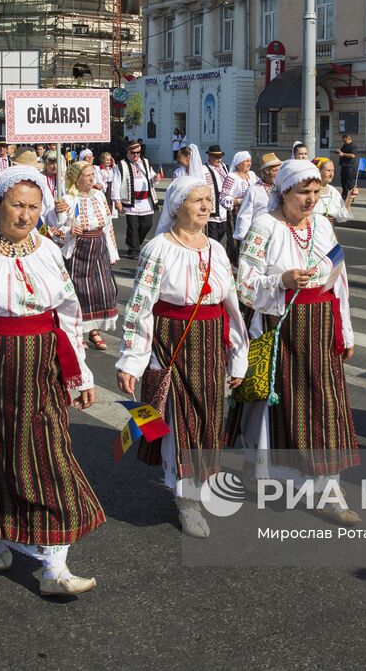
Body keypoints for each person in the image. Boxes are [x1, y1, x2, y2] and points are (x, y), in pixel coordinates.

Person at [0, 167, 103, 597]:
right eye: (17, 205)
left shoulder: (46, 249)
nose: (26, 215)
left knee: (49, 454)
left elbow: (68, 311)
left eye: (33, 206)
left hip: (43, 362)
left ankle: (54, 566)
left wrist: (79, 371)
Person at [116, 175, 248, 538]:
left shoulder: (216, 249)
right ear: (177, 207)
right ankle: (186, 498)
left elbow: (231, 305)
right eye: (197, 201)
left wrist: (238, 354)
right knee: (179, 419)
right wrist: (131, 359)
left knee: (207, 418)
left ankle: (194, 480)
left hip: (209, 343)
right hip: (171, 340)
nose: (206, 206)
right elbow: (140, 305)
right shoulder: (158, 248)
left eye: (209, 199)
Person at [235, 159, 359, 525]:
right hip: (281, 327)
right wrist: (282, 281)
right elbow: (244, 284)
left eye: (317, 192)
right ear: (284, 192)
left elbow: (340, 281)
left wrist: (346, 331)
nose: (311, 199)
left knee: (326, 404)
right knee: (280, 406)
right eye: (304, 192)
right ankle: (264, 468)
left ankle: (327, 486)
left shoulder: (322, 225)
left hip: (321, 325)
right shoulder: (264, 226)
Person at [57, 160, 119, 351]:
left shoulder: (99, 195)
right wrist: (68, 230)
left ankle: (94, 331)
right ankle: (79, 332)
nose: (92, 178)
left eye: (93, 174)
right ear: (77, 178)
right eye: (87, 175)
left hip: (98, 246)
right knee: (80, 292)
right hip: (79, 248)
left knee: (103, 290)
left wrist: (112, 251)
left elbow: (108, 224)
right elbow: (55, 228)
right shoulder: (67, 200)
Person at [232, 152, 280, 256]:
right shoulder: (254, 190)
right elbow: (245, 215)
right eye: (275, 170)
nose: (278, 173)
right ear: (266, 171)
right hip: (258, 236)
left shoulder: (280, 189)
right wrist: (245, 238)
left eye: (279, 170)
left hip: (277, 235)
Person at [118, 140, 160, 259]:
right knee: (133, 226)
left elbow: (151, 176)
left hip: (146, 201)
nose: (136, 155)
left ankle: (134, 242)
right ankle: (134, 250)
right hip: (131, 201)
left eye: (138, 153)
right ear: (128, 152)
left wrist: (155, 178)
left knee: (147, 224)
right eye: (133, 153)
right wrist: (116, 200)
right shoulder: (122, 164)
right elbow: (117, 182)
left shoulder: (145, 162)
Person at [199, 145, 231, 245]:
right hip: (212, 212)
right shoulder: (203, 169)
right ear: (209, 156)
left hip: (224, 212)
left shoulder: (225, 167)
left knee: (221, 237)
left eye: (220, 157)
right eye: (216, 157)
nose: (219, 160)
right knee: (212, 242)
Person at [313, 158, 353, 224]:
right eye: (328, 170)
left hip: (329, 231)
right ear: (318, 171)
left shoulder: (333, 191)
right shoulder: (309, 191)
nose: (331, 174)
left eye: (333, 170)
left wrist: (349, 198)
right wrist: (320, 219)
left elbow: (341, 217)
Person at [336, 134, 359, 200]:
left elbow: (352, 155)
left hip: (350, 166)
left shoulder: (353, 145)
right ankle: (344, 196)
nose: (344, 142)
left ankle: (352, 197)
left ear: (349, 139)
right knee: (343, 182)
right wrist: (339, 152)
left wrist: (343, 154)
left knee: (349, 182)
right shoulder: (345, 145)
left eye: (345, 141)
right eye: (343, 141)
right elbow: (342, 152)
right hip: (344, 165)